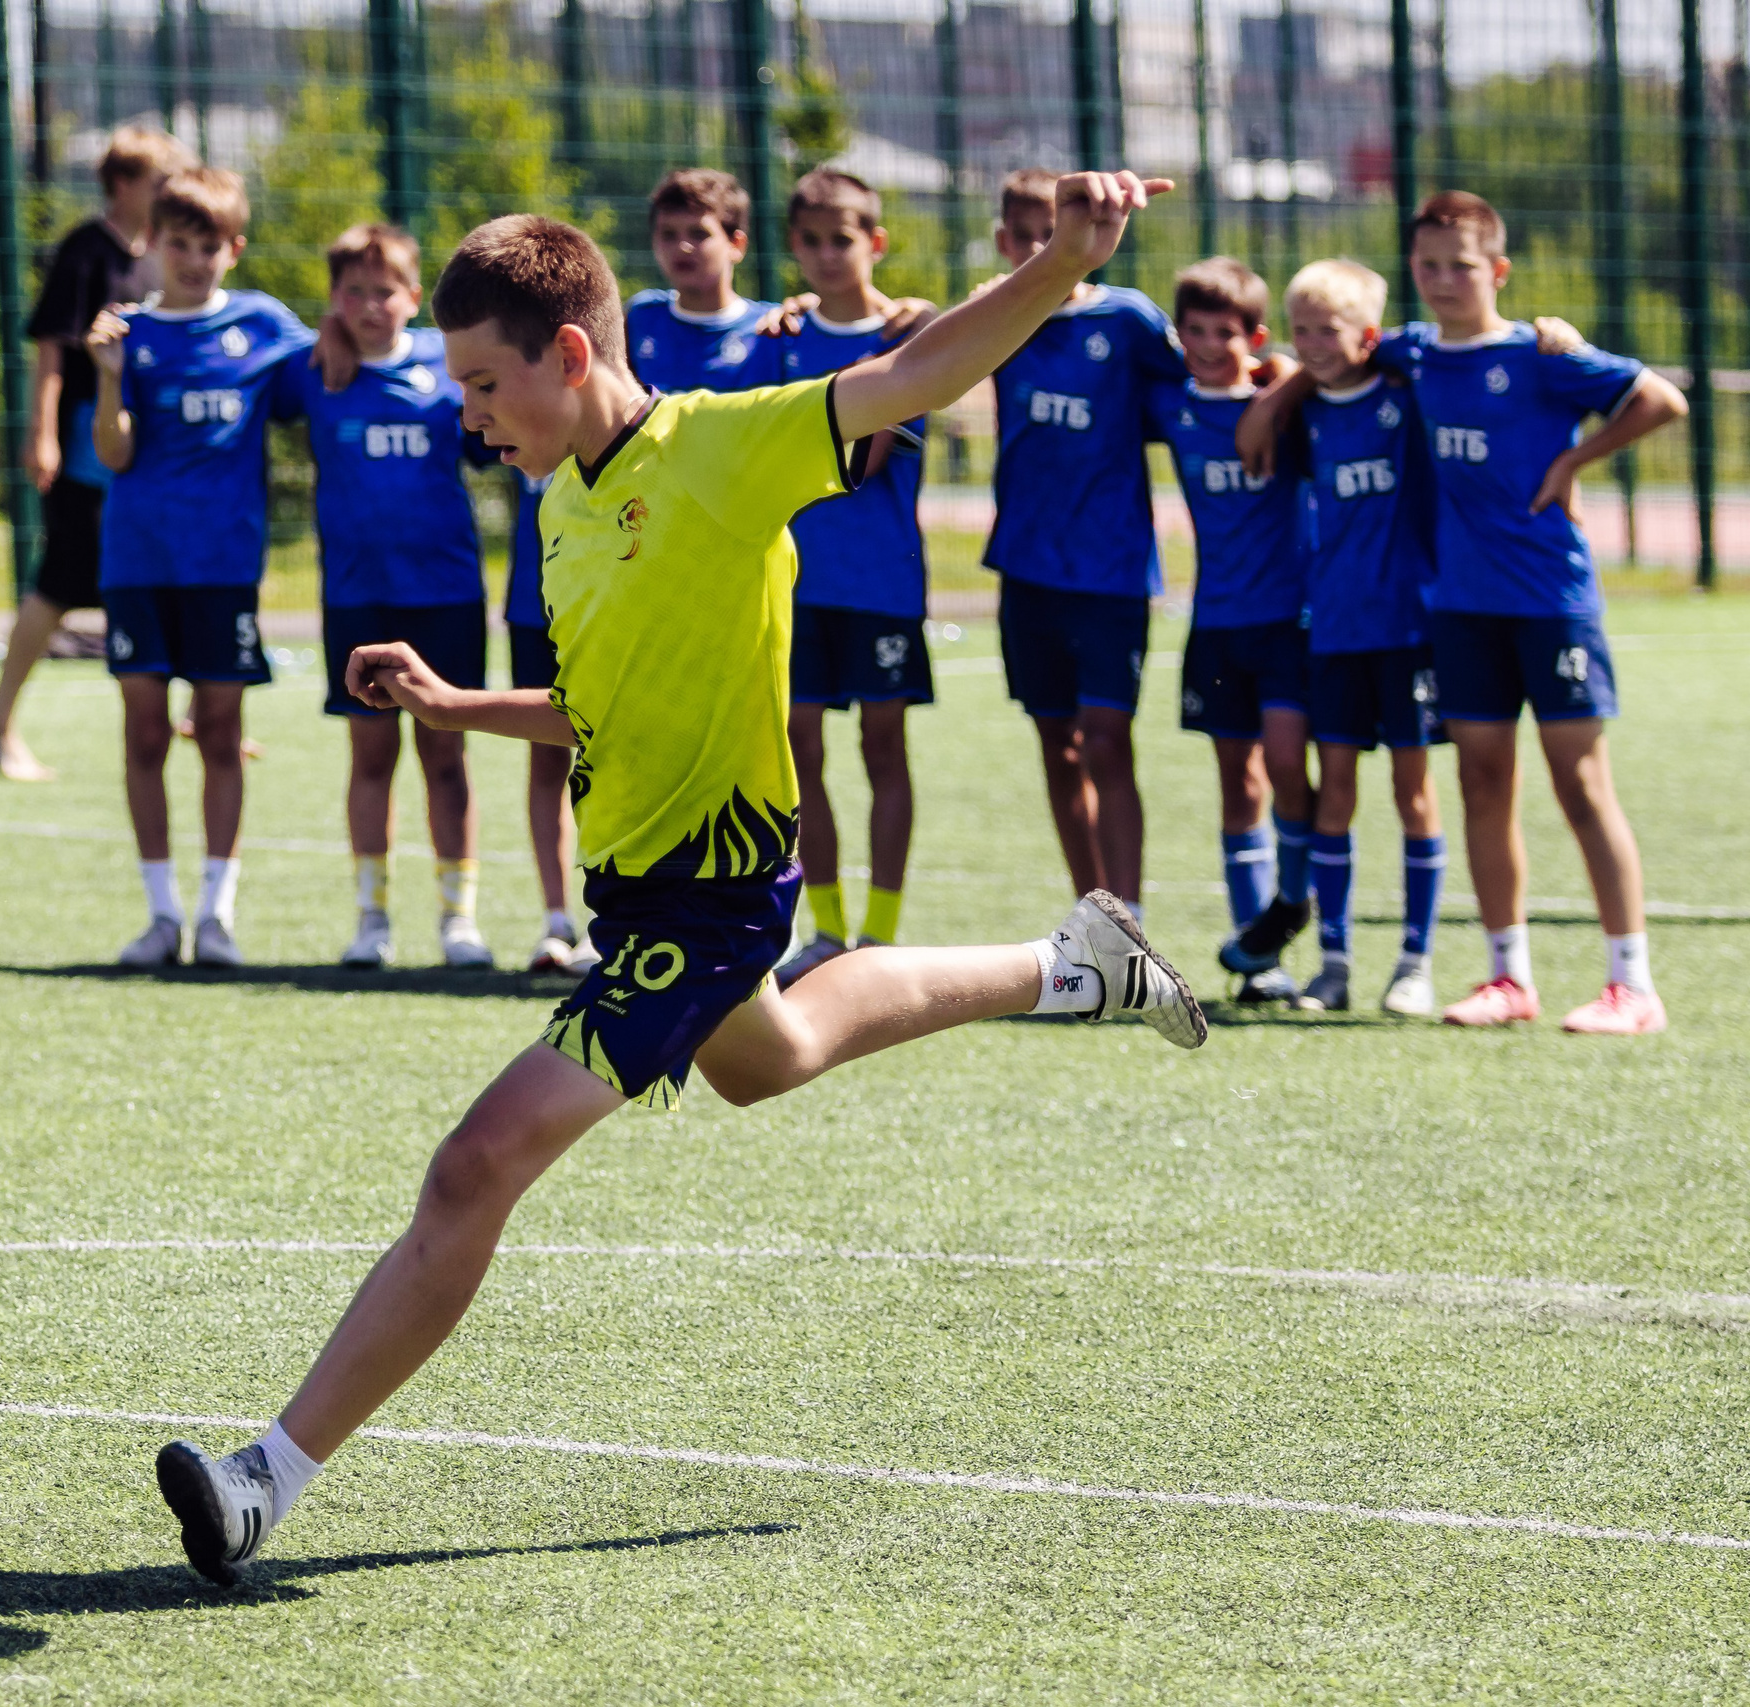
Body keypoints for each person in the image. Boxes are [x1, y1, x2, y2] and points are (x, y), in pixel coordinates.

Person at [152, 179, 1206, 1586]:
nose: (468, 414)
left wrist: (1065, 265)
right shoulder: (559, 502)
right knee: (779, 1050)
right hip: (642, 899)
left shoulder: (725, 447)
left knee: (475, 1166)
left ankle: (263, 1480)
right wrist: (460, 703)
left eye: (484, 383)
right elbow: (601, 709)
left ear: (570, 354)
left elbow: (914, 372)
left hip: (707, 899)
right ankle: (1074, 960)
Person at [1241, 191, 1688, 1033]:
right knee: (1483, 781)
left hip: (1551, 602)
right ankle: (1507, 975)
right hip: (1458, 608)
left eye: (1463, 266)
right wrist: (1276, 395)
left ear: (1500, 271)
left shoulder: (1544, 353)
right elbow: (1341, 353)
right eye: (1428, 266)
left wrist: (1574, 461)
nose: (1444, 280)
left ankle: (1633, 981)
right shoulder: (1409, 351)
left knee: (1581, 785)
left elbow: (1663, 400)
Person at [83, 166, 308, 969]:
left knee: (220, 731)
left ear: (234, 249)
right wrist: (109, 379)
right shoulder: (126, 335)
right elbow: (113, 452)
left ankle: (217, 915)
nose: (193, 258)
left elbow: (334, 371)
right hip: (138, 563)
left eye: (209, 244)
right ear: (153, 245)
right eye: (178, 242)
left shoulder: (266, 326)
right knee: (145, 732)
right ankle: (159, 915)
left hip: (224, 570)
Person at [274, 224, 495, 970]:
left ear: (413, 296)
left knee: (446, 752)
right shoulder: (313, 369)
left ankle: (458, 918)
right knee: (370, 754)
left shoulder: (448, 365)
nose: (372, 305)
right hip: (358, 598)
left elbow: (491, 439)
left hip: (447, 594)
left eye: (387, 290)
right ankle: (371, 918)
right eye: (355, 292)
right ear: (336, 299)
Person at [983, 169, 1188, 921]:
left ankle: (1128, 918)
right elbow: (915, 345)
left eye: (1056, 228)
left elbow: (1199, 392)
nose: (1044, 245)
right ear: (1006, 243)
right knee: (1058, 745)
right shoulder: (997, 317)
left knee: (1107, 740)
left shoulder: (1131, 321)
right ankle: (1090, 915)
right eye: (1028, 233)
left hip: (1111, 569)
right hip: (1027, 567)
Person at [0, 125, 191, 782]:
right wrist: (42, 435)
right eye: (158, 181)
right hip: (84, 443)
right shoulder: (86, 251)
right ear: (123, 185)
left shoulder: (157, 253)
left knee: (153, 568)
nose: (168, 192)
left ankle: (173, 708)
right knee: (62, 582)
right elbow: (51, 350)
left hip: (139, 440)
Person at [768, 170, 934, 987]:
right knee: (801, 749)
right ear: (793, 246)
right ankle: (827, 929)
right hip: (797, 584)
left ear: (876, 242)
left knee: (882, 744)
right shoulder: (780, 337)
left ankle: (883, 931)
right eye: (812, 240)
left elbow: (869, 458)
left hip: (882, 584)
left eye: (844, 238)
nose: (828, 255)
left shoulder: (914, 337)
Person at [1277, 259, 1446, 1015]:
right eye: (1301, 329)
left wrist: (1388, 346)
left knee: (1414, 793)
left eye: (1329, 329)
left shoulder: (1406, 399)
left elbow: (1426, 346)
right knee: (1334, 794)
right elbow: (1254, 427)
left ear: (1368, 336)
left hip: (1406, 628)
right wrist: (1285, 383)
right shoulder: (1302, 413)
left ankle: (1416, 960)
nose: (1312, 343)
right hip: (1334, 630)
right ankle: (1334, 959)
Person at [1141, 258, 1312, 1005]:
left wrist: (1285, 383)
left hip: (1287, 621)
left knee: (1285, 768)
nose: (1212, 346)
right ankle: (1259, 958)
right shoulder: (1170, 406)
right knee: (1236, 785)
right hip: (1214, 623)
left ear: (1256, 337)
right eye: (1198, 332)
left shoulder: (1282, 401)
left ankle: (1296, 901)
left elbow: (1333, 367)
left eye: (1228, 333)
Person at [502, 465, 597, 974]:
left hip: (602, 601)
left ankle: (612, 922)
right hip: (531, 607)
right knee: (545, 760)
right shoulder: (515, 398)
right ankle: (556, 920)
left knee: (610, 756)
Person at [624, 169, 783, 396]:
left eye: (699, 234)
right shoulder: (640, 316)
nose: (682, 247)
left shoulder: (772, 328)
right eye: (668, 234)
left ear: (736, 245)